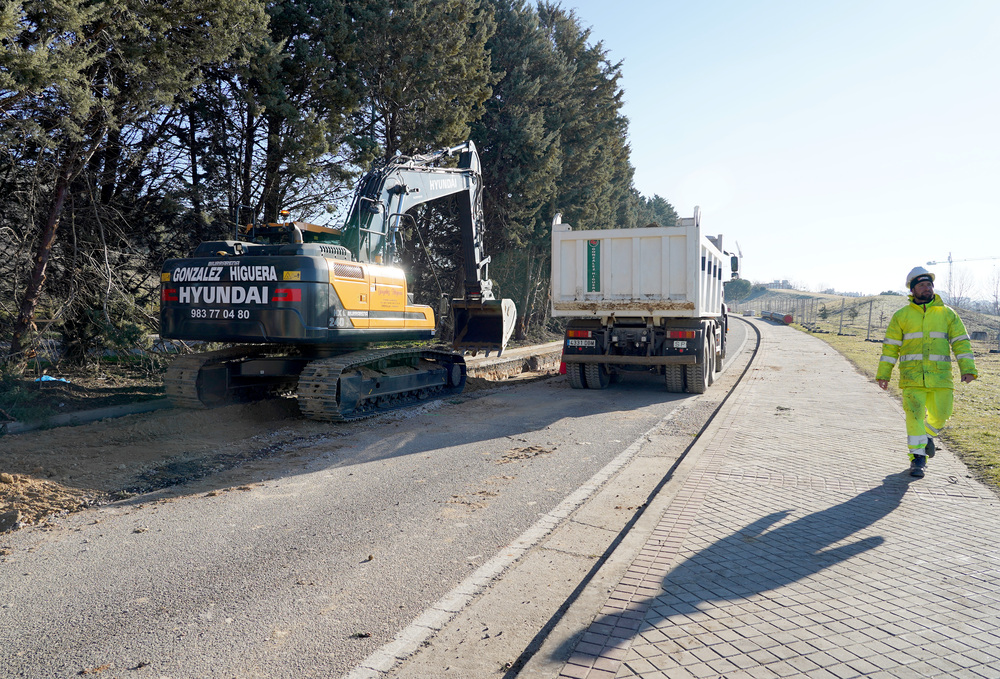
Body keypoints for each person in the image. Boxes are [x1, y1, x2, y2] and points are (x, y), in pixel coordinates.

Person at [876, 267, 977, 477]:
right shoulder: (901, 316)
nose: (926, 288)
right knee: (914, 416)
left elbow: (961, 343)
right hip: (912, 377)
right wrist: (884, 374)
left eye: (929, 284)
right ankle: (918, 459)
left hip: (941, 377)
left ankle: (927, 436)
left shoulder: (948, 314)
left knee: (942, 415)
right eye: (921, 285)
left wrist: (968, 369)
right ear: (912, 290)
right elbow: (890, 348)